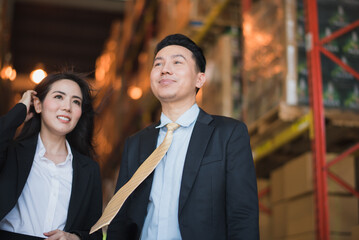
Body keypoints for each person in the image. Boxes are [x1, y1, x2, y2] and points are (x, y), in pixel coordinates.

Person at [106, 34, 259, 240]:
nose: (165, 69)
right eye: (158, 64)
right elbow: (120, 219)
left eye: (177, 62)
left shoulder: (228, 134)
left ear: (200, 78)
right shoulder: (136, 144)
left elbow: (243, 215)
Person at [0, 72, 103, 240]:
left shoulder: (89, 170)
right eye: (58, 97)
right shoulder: (12, 153)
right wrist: (19, 110)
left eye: (75, 101)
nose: (67, 107)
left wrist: (74, 238)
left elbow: (95, 234)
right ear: (38, 105)